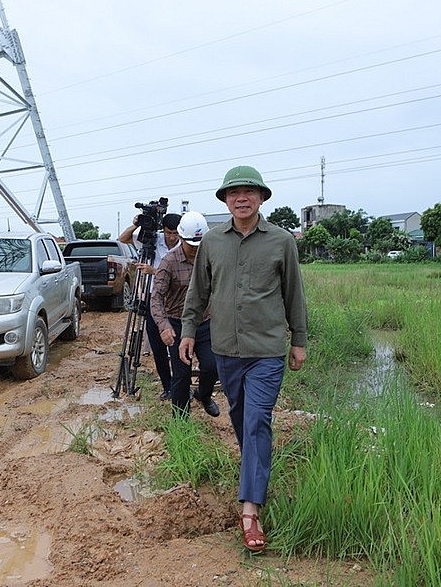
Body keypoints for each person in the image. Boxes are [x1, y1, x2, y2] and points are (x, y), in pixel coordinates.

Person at [179, 165, 307, 553]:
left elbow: (293, 293)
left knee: (255, 421)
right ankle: (254, 466)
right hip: (226, 351)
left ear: (262, 197)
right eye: (233, 192)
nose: (241, 197)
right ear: (225, 200)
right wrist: (187, 331)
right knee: (241, 418)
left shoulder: (282, 241)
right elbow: (198, 293)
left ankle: (250, 509)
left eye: (249, 191)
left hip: (266, 351)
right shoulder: (213, 242)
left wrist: (298, 339)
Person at [150, 211, 220, 418]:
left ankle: (204, 395)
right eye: (191, 245)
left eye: (200, 244)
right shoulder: (168, 262)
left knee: (212, 366)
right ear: (181, 238)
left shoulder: (210, 258)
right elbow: (156, 297)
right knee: (181, 374)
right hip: (178, 324)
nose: (196, 249)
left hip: (204, 322)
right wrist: (164, 326)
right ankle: (181, 421)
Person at [118, 212, 182, 401]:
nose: (172, 237)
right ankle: (167, 386)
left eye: (176, 233)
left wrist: (154, 271)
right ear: (163, 230)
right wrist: (136, 224)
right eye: (169, 232)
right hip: (152, 298)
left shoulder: (185, 245)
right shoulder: (153, 240)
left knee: (175, 345)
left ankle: (179, 386)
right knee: (157, 347)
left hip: (175, 299)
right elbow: (123, 238)